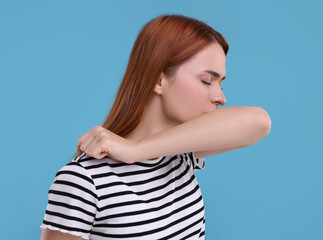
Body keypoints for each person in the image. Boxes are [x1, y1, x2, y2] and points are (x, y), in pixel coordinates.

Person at [40, 14, 271, 240]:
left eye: (220, 83)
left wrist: (136, 150)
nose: (221, 97)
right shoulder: (83, 180)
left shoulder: (178, 156)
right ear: (158, 81)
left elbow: (259, 122)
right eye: (206, 81)